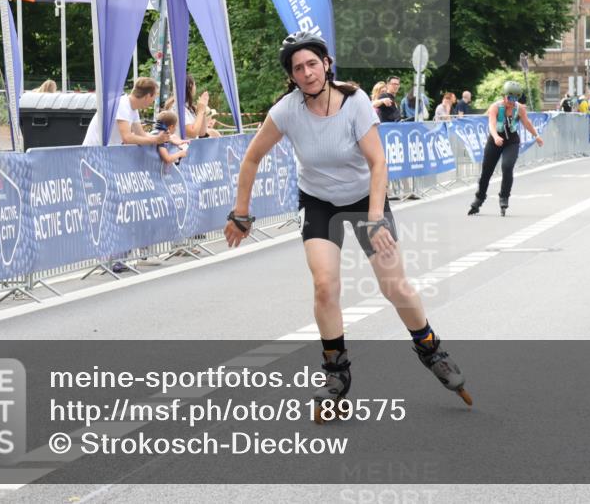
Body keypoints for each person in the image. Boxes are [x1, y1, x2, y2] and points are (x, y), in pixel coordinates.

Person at [223, 31, 471, 420]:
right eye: (297, 68)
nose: (306, 73)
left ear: (326, 64)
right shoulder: (287, 110)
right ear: (291, 75)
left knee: (394, 285)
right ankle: (336, 371)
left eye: (311, 64)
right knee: (325, 285)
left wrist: (375, 219)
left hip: (364, 198)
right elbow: (251, 158)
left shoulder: (355, 102)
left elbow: (378, 164)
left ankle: (430, 348)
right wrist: (240, 212)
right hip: (318, 202)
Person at [468, 80, 545, 217]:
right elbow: (491, 125)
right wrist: (496, 137)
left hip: (512, 141)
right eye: (510, 98)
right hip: (495, 140)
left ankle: (504, 196)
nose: (512, 101)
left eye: (515, 98)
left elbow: (527, 123)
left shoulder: (519, 108)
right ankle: (479, 198)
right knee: (487, 171)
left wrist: (536, 136)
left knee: (507, 166)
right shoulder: (495, 107)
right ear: (504, 96)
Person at [82, 76, 167, 146]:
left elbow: (141, 134)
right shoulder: (122, 105)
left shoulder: (132, 107)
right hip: (94, 152)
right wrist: (156, 140)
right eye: (154, 98)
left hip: (102, 152)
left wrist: (166, 138)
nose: (153, 102)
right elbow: (127, 138)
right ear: (147, 96)